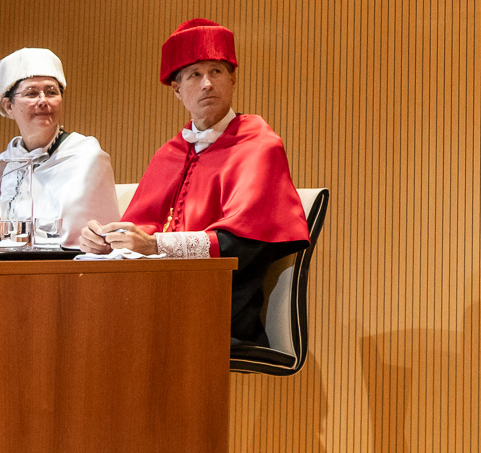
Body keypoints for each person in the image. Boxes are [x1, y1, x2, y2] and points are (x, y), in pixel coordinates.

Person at [78, 19, 309, 344]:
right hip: (157, 299)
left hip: (220, 312)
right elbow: (141, 229)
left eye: (216, 71)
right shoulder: (169, 153)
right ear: (177, 89)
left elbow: (245, 246)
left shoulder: (260, 144)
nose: (207, 84)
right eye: (194, 75)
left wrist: (155, 246)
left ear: (233, 79)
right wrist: (107, 242)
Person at [0, 48, 119, 251]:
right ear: (8, 106)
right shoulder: (8, 159)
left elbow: (68, 237)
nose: (43, 101)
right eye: (32, 93)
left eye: (51, 92)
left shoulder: (86, 155)